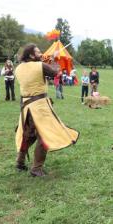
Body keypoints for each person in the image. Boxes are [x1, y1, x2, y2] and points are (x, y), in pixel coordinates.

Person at [14, 44, 79, 177]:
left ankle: (20, 162)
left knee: (28, 135)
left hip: (26, 106)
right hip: (39, 107)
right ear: (31, 55)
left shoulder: (19, 68)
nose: (41, 53)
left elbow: (37, 71)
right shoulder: (40, 66)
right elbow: (56, 72)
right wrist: (55, 60)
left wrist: (46, 62)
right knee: (45, 135)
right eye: (38, 51)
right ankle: (36, 168)